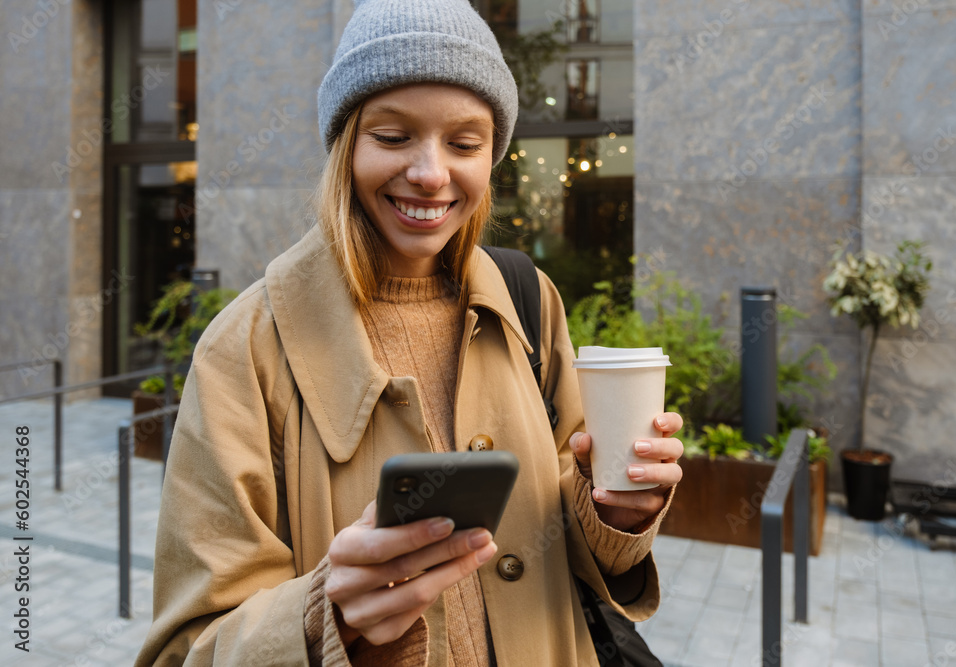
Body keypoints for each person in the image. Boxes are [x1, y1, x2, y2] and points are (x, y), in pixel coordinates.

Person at [136, 0, 684, 665]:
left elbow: (573, 521)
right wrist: (323, 615)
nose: (430, 172)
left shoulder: (528, 299)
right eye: (393, 137)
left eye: (464, 143)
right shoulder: (245, 349)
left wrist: (619, 513)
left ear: (493, 155)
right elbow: (185, 648)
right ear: (345, 146)